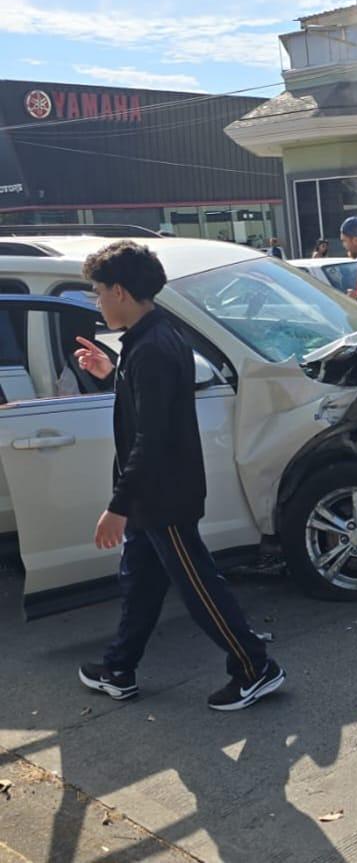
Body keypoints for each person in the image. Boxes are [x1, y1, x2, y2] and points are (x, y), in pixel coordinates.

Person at [74, 241, 285, 711]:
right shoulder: (148, 339)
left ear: (121, 291)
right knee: (141, 585)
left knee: (199, 588)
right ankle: (119, 668)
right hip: (155, 497)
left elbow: (153, 437)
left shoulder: (152, 347)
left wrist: (117, 507)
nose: (97, 301)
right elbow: (150, 403)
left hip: (163, 497)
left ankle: (255, 666)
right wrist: (111, 373)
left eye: (99, 292)